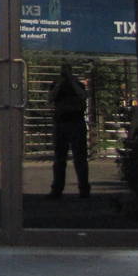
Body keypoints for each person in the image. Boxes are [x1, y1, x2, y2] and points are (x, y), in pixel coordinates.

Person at [49, 61, 91, 198]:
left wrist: (72, 81)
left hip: (76, 122)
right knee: (59, 159)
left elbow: (83, 96)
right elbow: (50, 98)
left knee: (80, 158)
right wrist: (60, 83)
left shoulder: (78, 84)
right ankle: (57, 188)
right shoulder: (56, 84)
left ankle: (84, 188)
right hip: (61, 122)